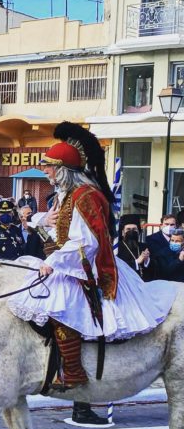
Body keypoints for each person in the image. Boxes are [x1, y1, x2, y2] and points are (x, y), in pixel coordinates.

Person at [9, 122, 175, 389]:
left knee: (59, 310)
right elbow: (60, 228)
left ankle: (73, 372)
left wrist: (53, 262)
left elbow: (87, 243)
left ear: (63, 170)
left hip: (85, 266)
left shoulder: (87, 196)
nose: (46, 170)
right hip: (67, 262)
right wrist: (40, 221)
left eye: (50, 166)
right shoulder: (66, 195)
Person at [116, 215, 153, 281]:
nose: (131, 232)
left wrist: (146, 260)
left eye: (134, 229)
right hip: (126, 283)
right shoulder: (117, 248)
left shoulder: (144, 247)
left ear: (138, 232)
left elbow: (153, 269)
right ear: (122, 232)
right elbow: (118, 267)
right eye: (128, 229)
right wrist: (136, 262)